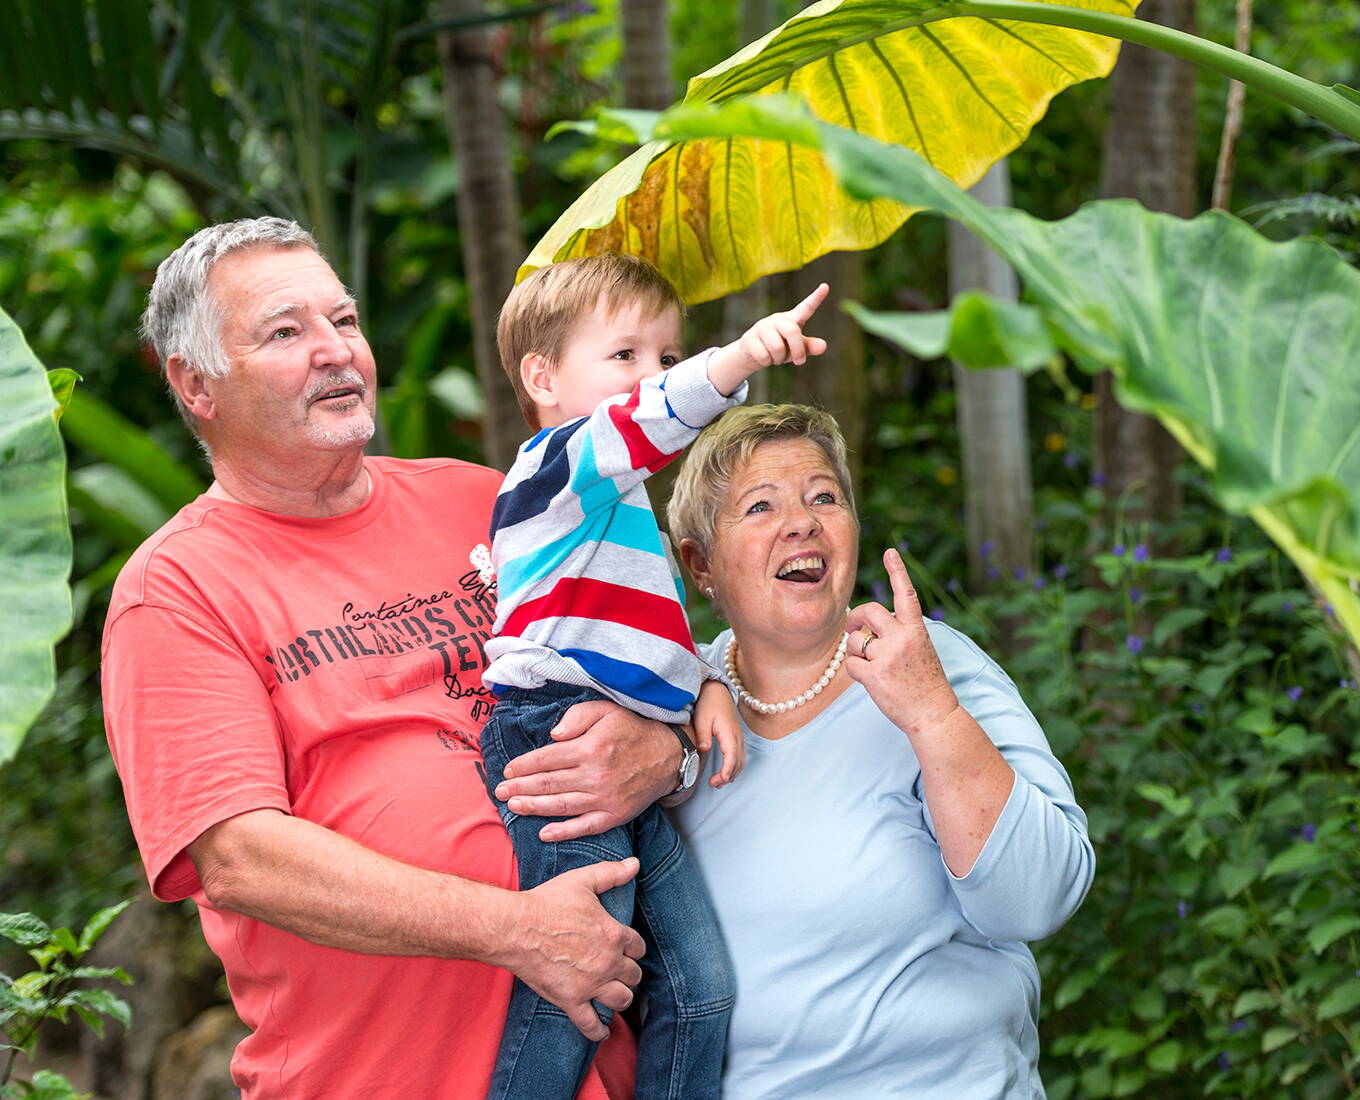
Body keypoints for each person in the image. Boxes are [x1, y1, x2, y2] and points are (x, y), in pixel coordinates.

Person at [101, 217, 690, 1099]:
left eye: (344, 320)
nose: (336, 352)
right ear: (196, 385)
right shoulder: (177, 588)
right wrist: (514, 927)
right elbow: (239, 855)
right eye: (286, 332)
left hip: (614, 1061)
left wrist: (663, 751)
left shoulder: (486, 500)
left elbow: (641, 648)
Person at [663, 403, 1096, 1098]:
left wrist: (931, 714)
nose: (800, 522)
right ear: (700, 564)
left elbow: (1039, 898)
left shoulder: (932, 665)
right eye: (761, 506)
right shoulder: (671, 711)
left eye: (824, 497)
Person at [479, 253, 828, 1099]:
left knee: (700, 990)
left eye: (667, 358)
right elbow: (646, 423)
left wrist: (701, 685)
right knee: (578, 987)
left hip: (623, 745)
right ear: (543, 378)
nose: (653, 377)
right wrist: (739, 358)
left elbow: (646, 640)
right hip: (556, 727)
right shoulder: (557, 469)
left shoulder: (617, 509)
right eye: (625, 357)